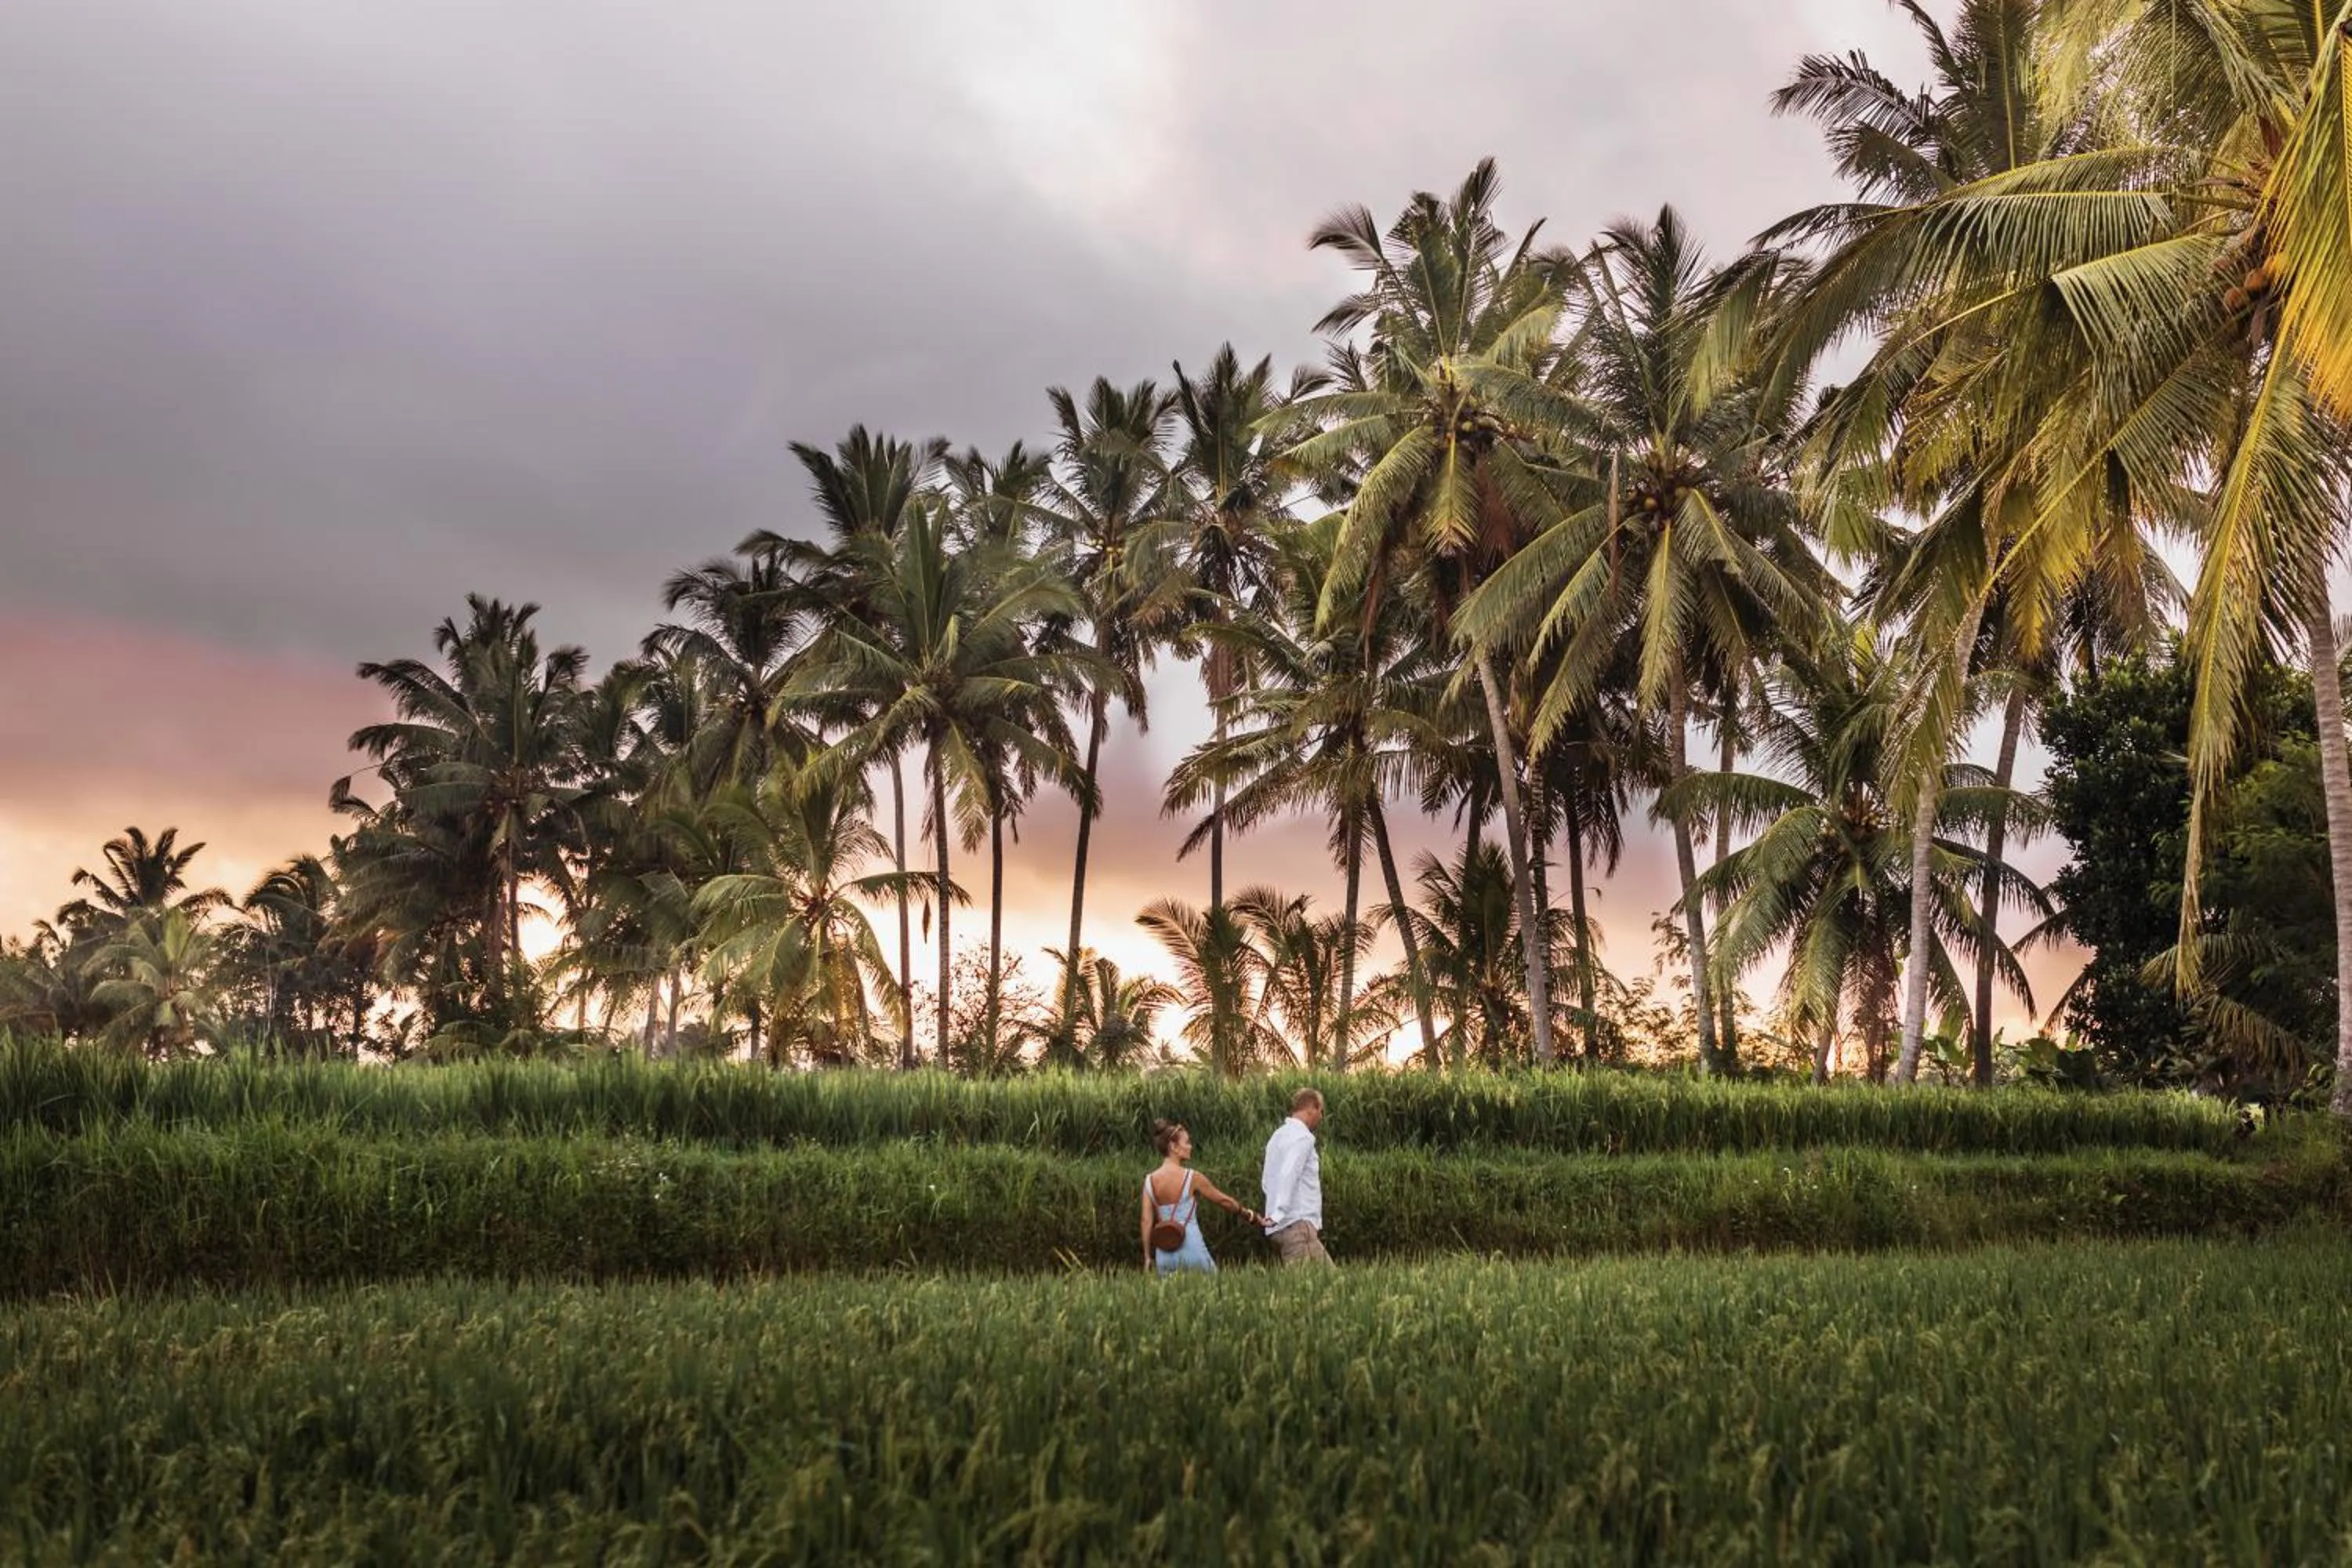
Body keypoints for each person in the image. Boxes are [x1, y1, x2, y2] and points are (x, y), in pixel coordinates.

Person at [1141, 1120, 1263, 1275]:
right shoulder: (1192, 1177)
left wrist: (1147, 1256)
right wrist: (1250, 1215)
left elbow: (1146, 1221)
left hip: (1164, 1253)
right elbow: (1224, 1201)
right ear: (1173, 1147)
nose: (1190, 1146)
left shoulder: (1149, 1181)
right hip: (1191, 1247)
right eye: (1187, 1142)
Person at [1260, 1086, 1331, 1265]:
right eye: (1321, 1111)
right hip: (1298, 1225)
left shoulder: (1277, 1137)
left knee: (1333, 1285)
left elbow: (1267, 1181)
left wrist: (1275, 1213)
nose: (1321, 1117)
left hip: (1288, 1226)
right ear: (1312, 1108)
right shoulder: (1303, 1138)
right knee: (1305, 1288)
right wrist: (1279, 1213)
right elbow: (1288, 1174)